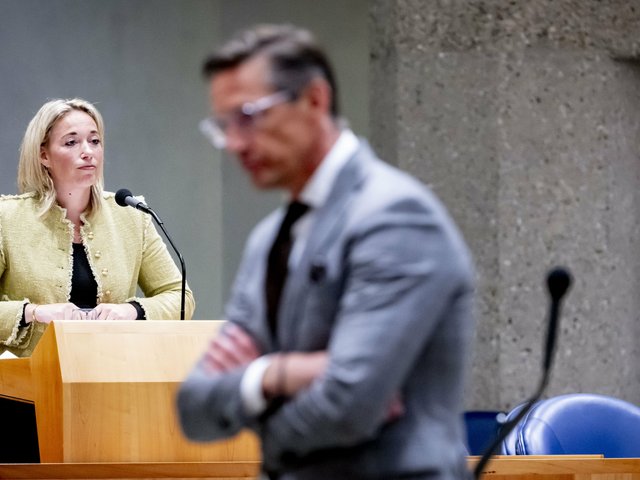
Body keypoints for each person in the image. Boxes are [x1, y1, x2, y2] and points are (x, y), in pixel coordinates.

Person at [177, 24, 475, 480]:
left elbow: (349, 404)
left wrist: (260, 418)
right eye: (223, 127)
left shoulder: (394, 216)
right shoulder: (268, 238)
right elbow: (194, 406)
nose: (234, 143)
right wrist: (273, 375)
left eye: (249, 116)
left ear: (315, 100)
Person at [0, 98, 195, 358]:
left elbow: (180, 297)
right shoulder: (7, 218)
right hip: (27, 376)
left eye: (94, 141)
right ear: (43, 155)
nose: (87, 151)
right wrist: (34, 312)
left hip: (111, 370)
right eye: (71, 142)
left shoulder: (131, 216)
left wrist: (131, 311)